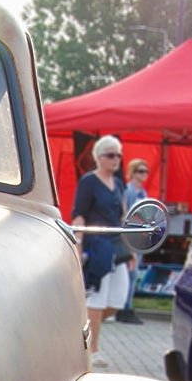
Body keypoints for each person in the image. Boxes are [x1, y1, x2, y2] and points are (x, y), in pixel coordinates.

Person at [70, 134, 133, 369]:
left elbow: (124, 217)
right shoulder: (89, 182)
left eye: (118, 155)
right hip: (97, 245)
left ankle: (80, 329)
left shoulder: (118, 184)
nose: (116, 159)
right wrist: (78, 243)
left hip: (117, 245)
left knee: (118, 299)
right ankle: (93, 349)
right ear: (99, 157)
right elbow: (80, 213)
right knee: (97, 298)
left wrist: (132, 248)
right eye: (110, 155)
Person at [114, 158, 151, 325]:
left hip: (140, 237)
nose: (144, 175)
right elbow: (124, 215)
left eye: (145, 171)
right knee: (131, 273)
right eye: (140, 171)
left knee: (133, 274)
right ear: (133, 173)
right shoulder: (129, 192)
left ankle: (126, 305)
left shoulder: (143, 193)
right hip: (130, 237)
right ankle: (124, 307)